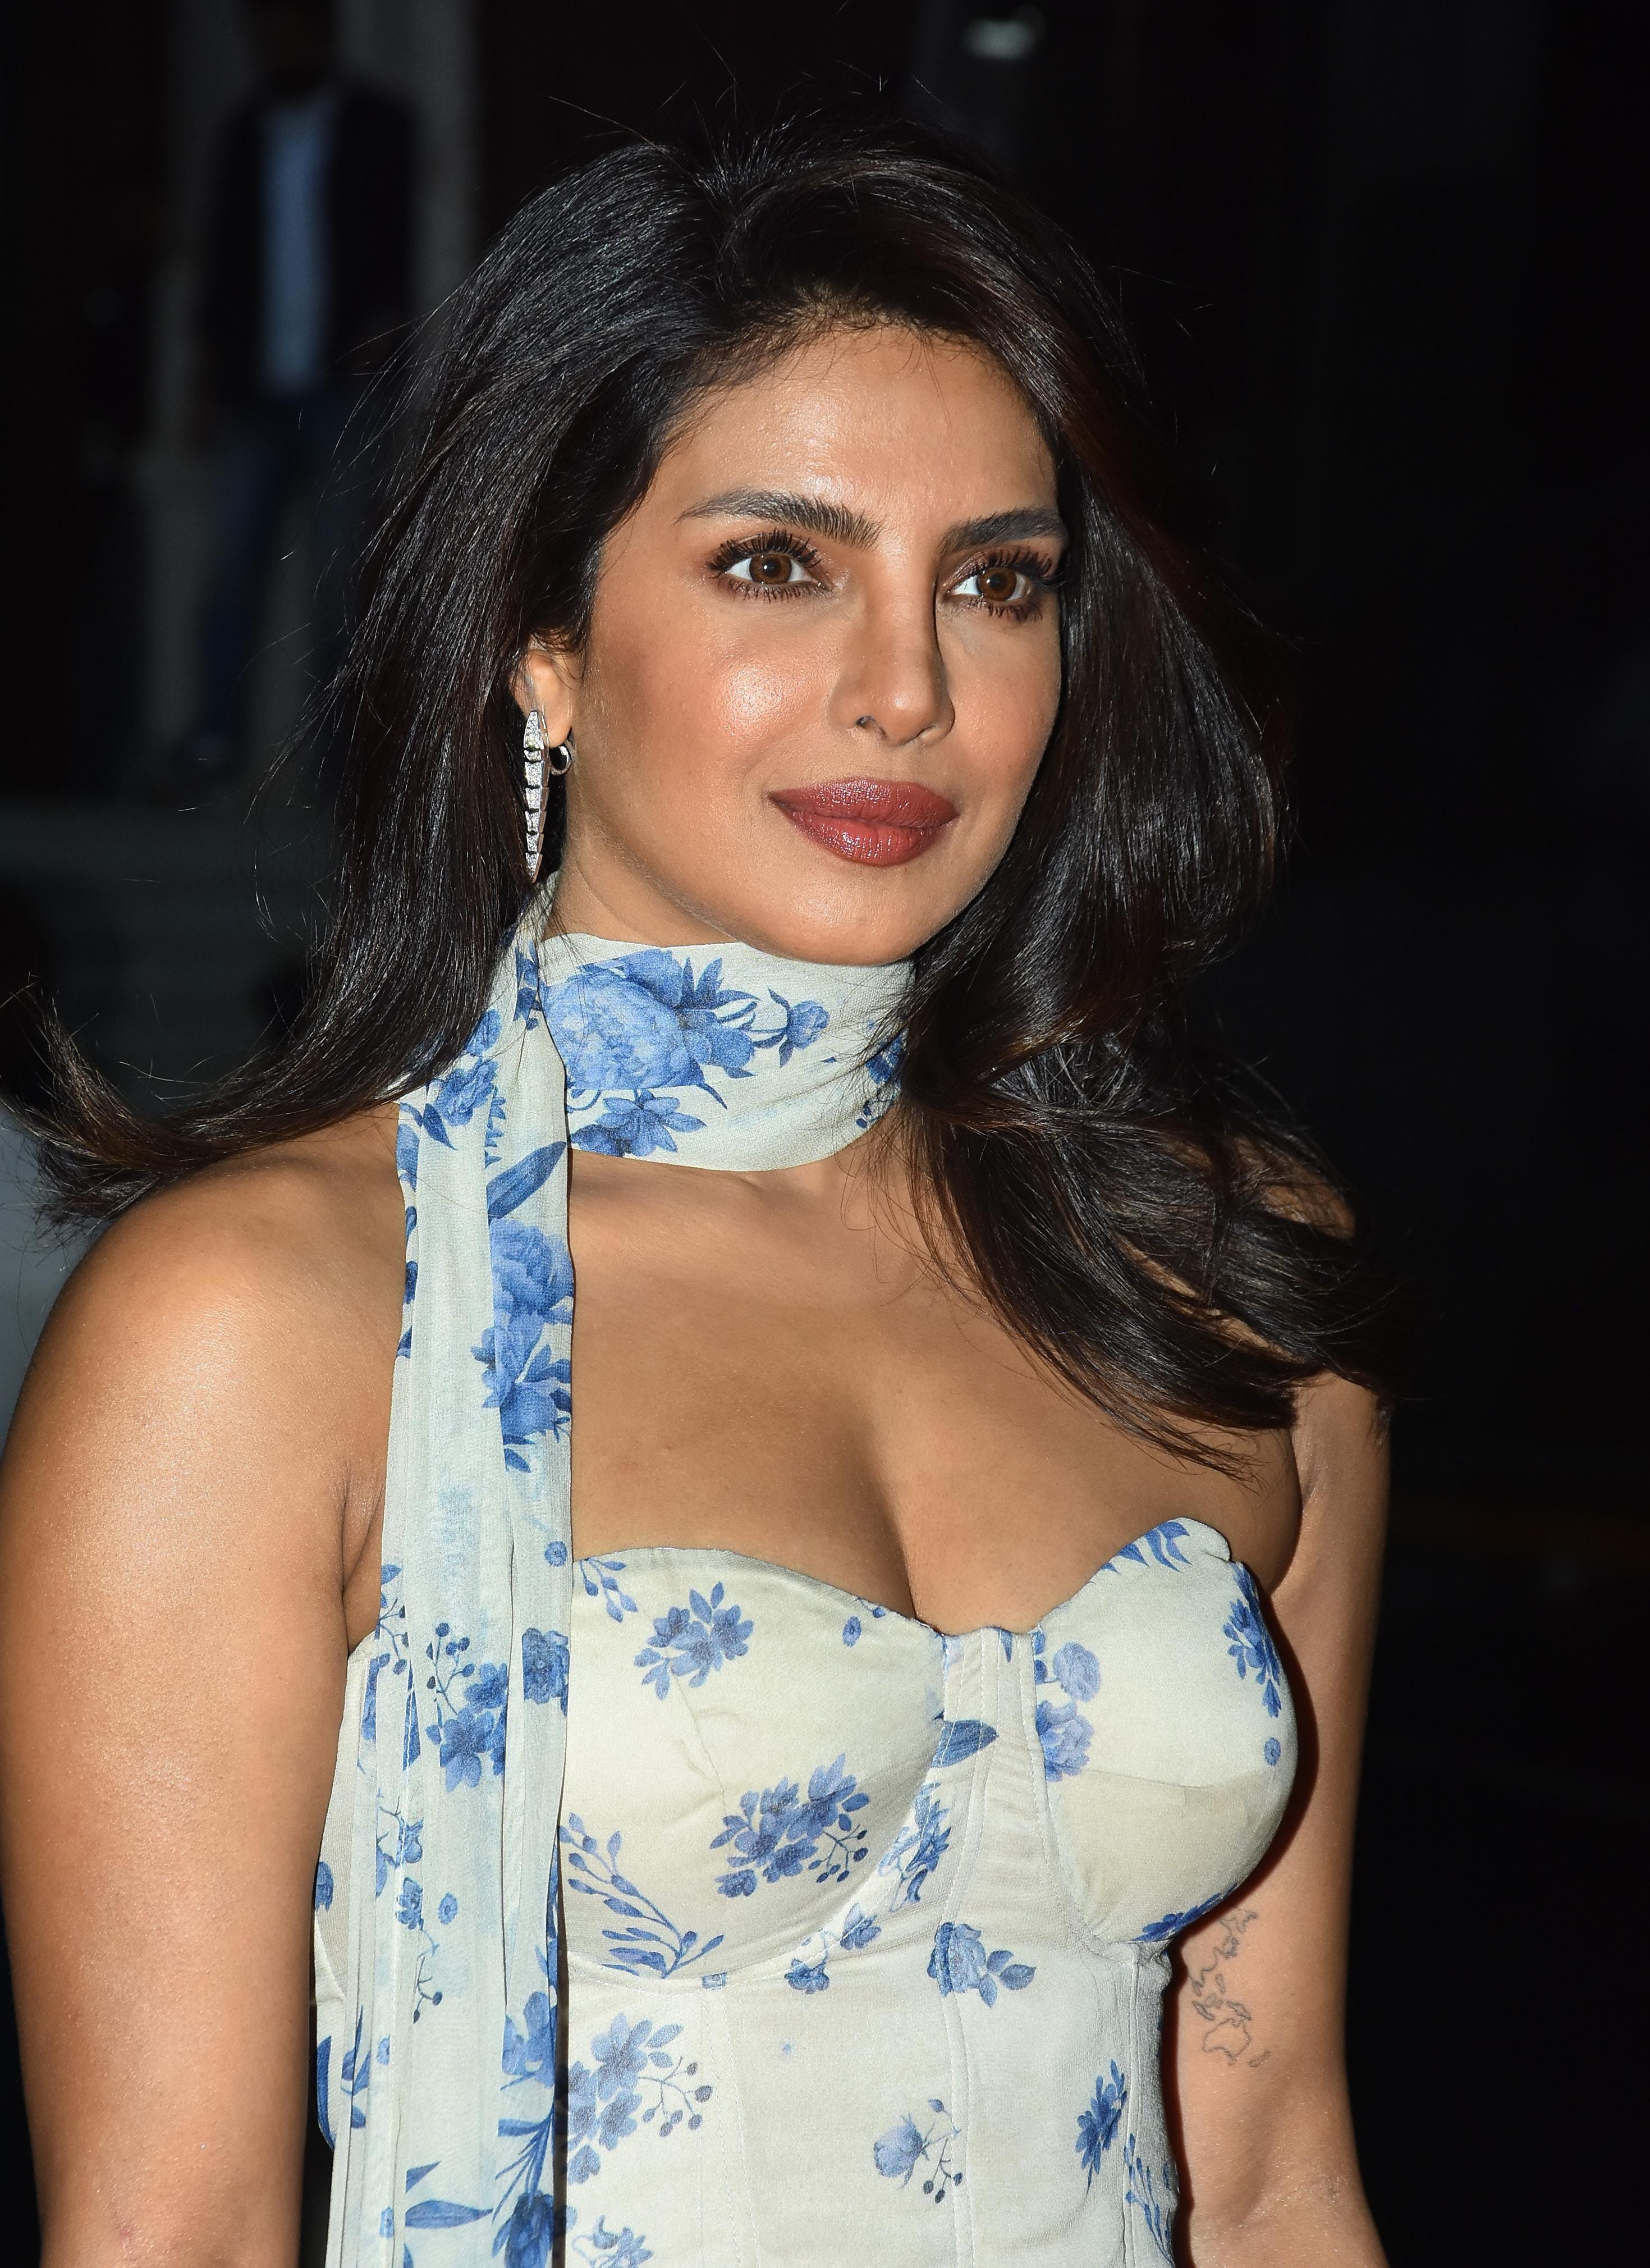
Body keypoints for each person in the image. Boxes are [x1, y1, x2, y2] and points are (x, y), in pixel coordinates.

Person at [0, 117, 1395, 2267]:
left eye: (996, 581)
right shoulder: (264, 1323)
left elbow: (1278, 2165)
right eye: (777, 564)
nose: (908, 688)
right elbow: (170, 2229)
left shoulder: (1224, 1273)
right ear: (542, 640)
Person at [179, 0, 411, 783]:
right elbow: (223, 259)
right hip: (255, 388)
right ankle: (216, 743)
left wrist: (385, 337)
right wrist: (207, 375)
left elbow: (396, 245)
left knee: (337, 580)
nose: (273, 45)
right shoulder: (246, 133)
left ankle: (334, 764)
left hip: (341, 384)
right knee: (231, 574)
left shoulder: (377, 126)